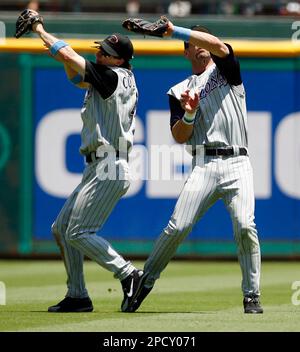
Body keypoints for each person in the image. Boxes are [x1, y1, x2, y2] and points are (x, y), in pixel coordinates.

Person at [123, 20, 263, 314]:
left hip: (238, 162)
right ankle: (143, 282)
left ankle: (251, 295)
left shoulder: (225, 69)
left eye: (206, 40)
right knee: (177, 226)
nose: (203, 46)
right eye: (195, 43)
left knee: (245, 225)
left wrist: (174, 31)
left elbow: (221, 47)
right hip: (204, 164)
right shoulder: (179, 90)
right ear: (186, 53)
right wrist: (189, 114)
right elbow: (178, 136)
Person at [30, 13, 143, 312]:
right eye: (100, 49)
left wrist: (39, 29)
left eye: (106, 53)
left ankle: (129, 274)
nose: (100, 53)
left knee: (78, 232)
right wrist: (64, 56)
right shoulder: (112, 78)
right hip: (101, 165)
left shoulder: (110, 77)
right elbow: (75, 75)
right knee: (61, 227)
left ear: (118, 61)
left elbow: (68, 55)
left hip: (109, 164)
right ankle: (78, 295)